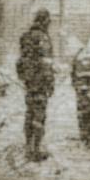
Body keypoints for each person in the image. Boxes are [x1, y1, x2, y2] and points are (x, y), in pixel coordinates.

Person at [16, 10, 55, 162]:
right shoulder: (43, 38)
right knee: (39, 115)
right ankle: (36, 150)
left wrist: (25, 77)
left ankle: (28, 146)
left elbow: (21, 60)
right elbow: (46, 63)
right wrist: (50, 82)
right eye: (48, 21)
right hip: (40, 82)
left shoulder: (26, 36)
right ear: (44, 21)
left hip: (30, 82)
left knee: (30, 112)